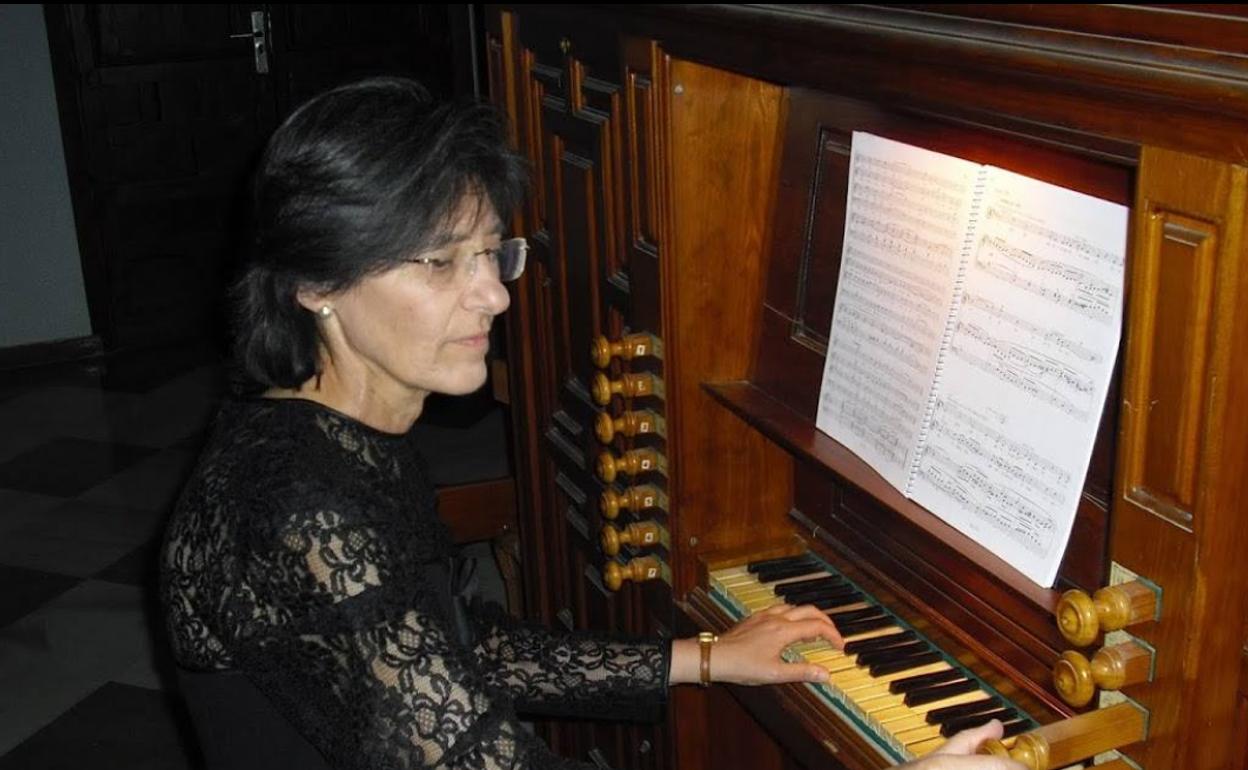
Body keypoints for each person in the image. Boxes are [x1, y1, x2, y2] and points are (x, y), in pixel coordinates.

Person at [159, 76, 1023, 770]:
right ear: (315, 284)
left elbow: (456, 648)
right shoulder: (295, 503)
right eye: (440, 263)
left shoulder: (342, 433)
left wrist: (705, 658)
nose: (494, 295)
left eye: (491, 252)